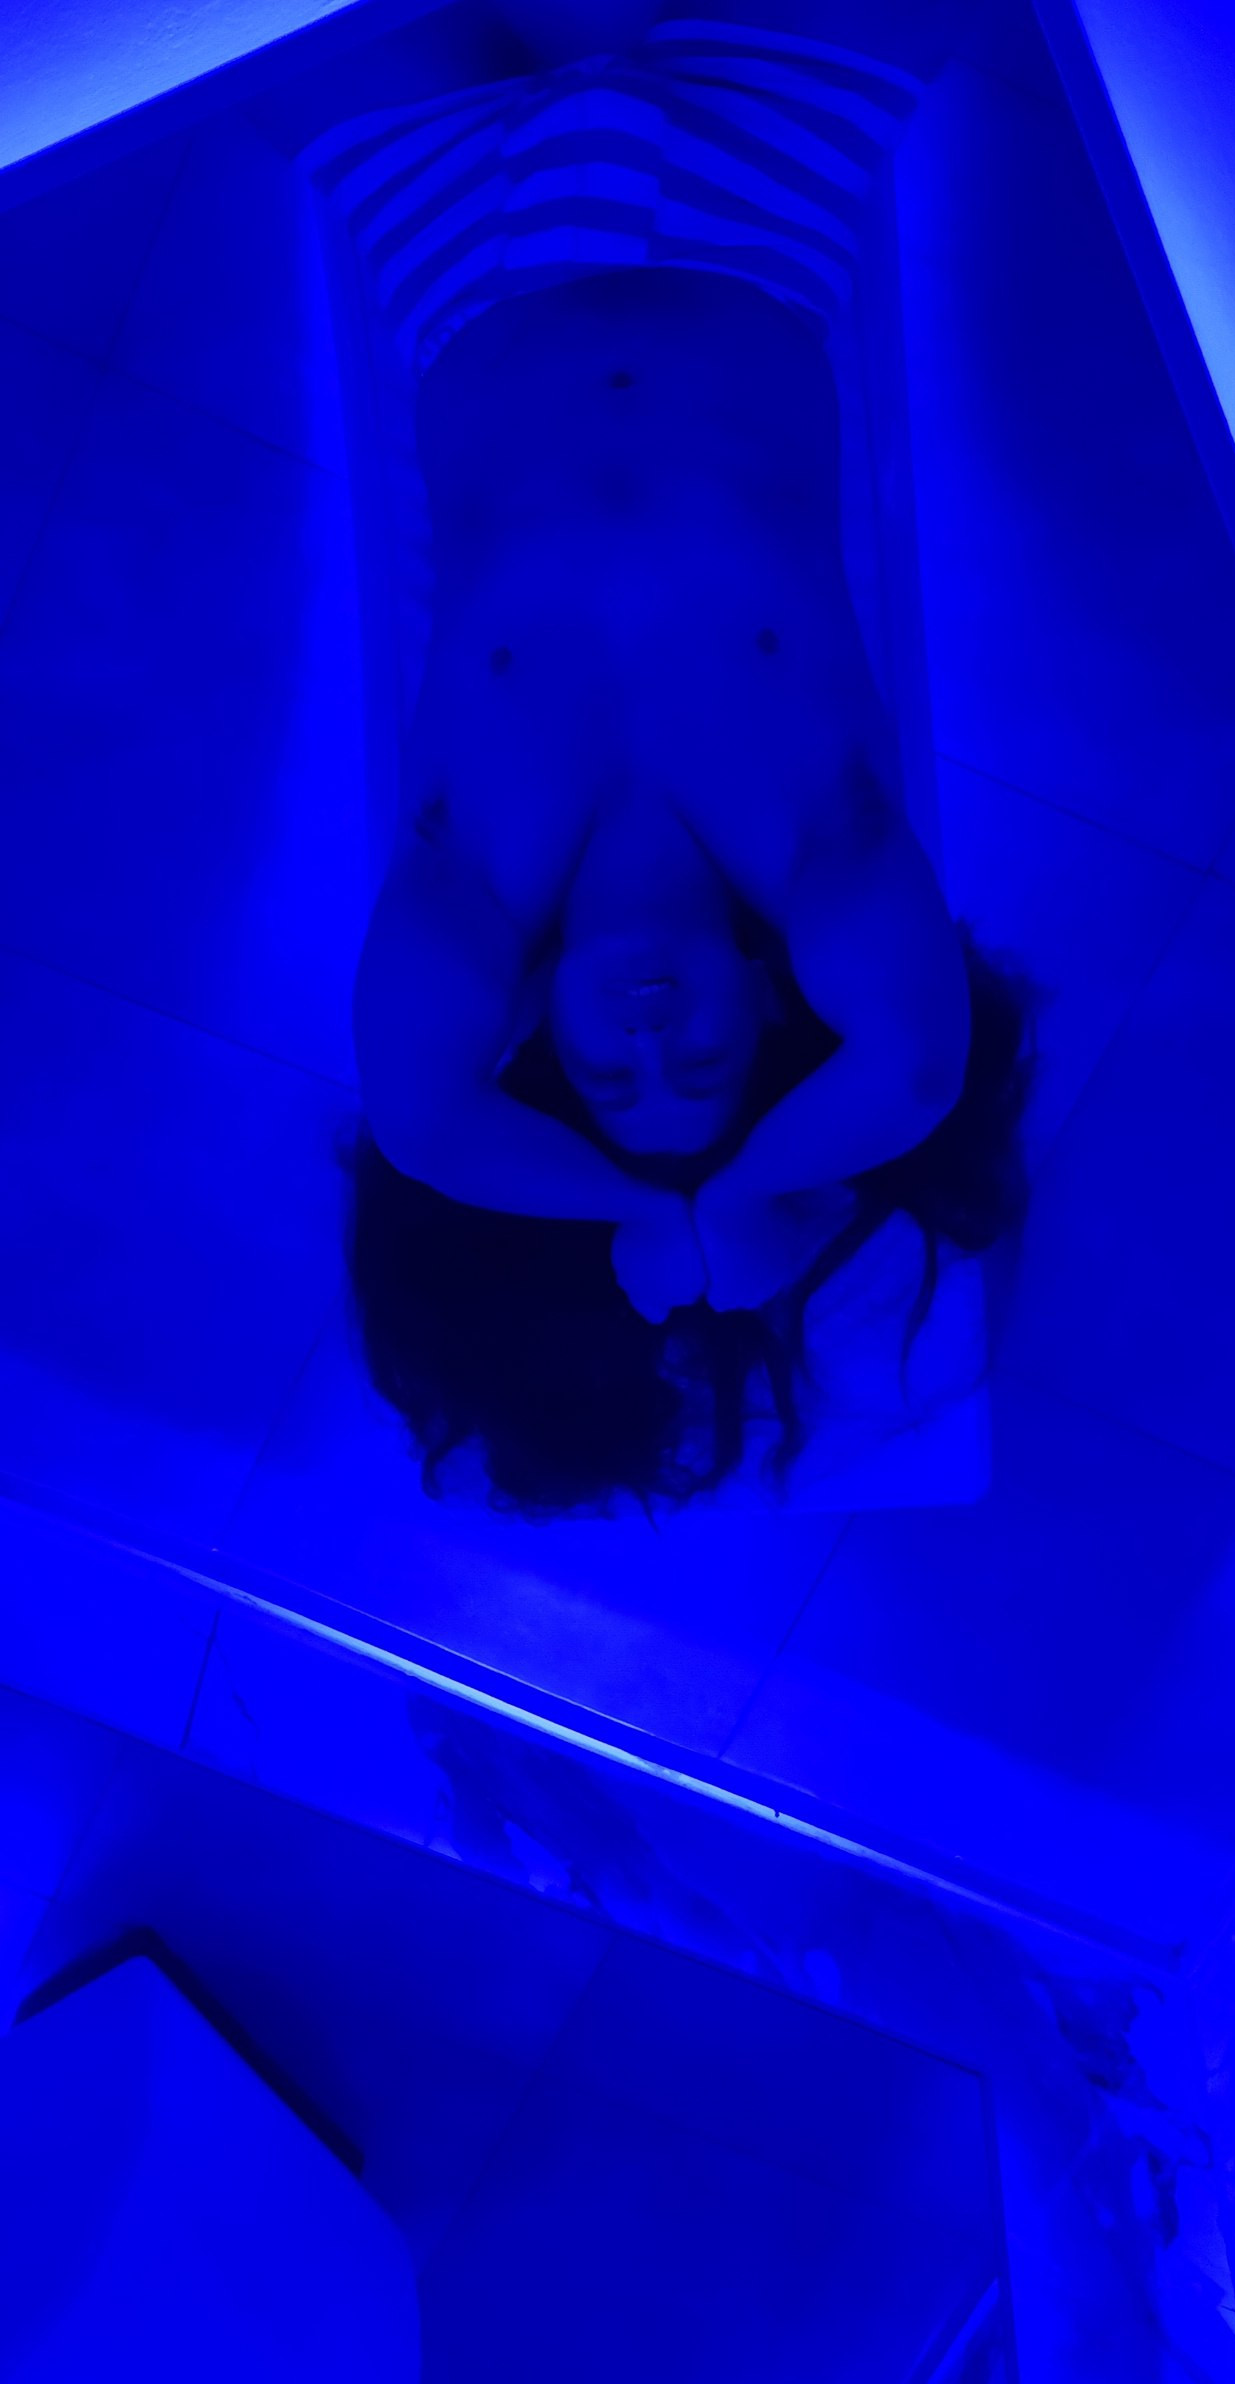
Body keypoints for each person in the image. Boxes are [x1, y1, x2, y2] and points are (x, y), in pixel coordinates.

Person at [303, 5, 1035, 1512]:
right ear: (771, 997)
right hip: (752, 207)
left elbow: (425, 1124)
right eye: (699, 1062)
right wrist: (750, 1187)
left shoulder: (474, 870)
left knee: (175, 45)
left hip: (456, 249)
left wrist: (631, 1215)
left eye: (609, 1071)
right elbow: (911, 1066)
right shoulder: (822, 839)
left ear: (536, 1032)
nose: (650, 1033)